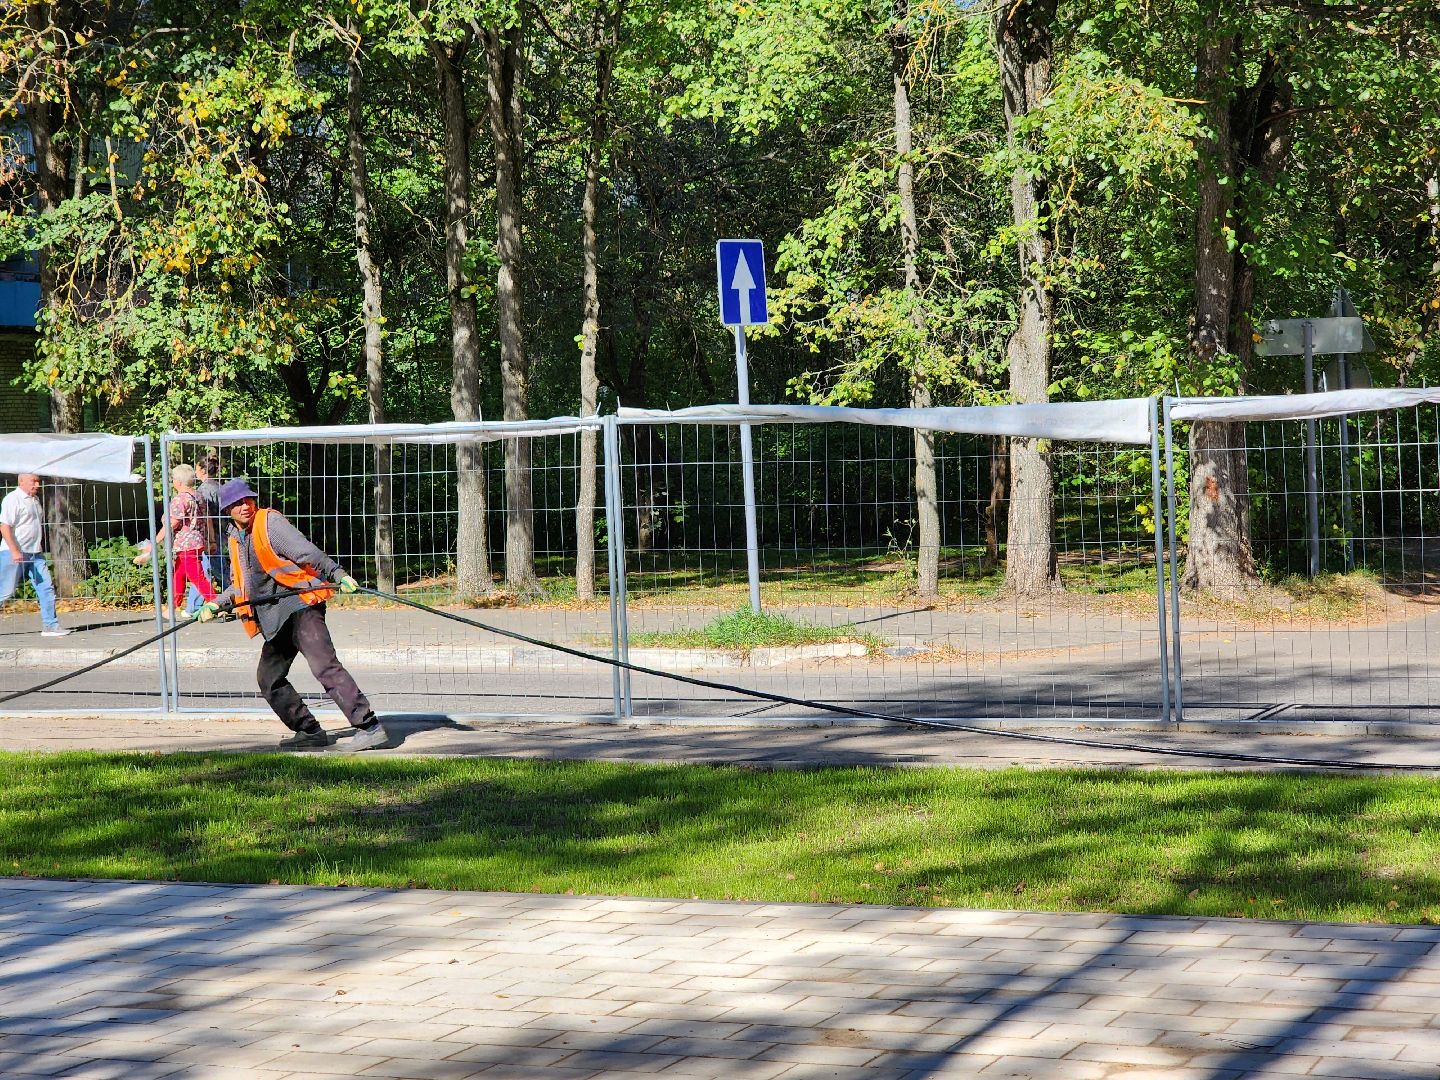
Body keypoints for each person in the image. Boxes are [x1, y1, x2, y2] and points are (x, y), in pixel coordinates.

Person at [198, 478, 392, 752]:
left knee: (324, 666)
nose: (244, 506)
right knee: (268, 679)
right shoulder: (234, 538)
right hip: (275, 617)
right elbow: (242, 584)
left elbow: (306, 552)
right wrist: (216, 604)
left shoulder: (269, 524)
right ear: (227, 509)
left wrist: (338, 574)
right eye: (236, 503)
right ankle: (310, 731)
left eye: (247, 500)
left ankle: (369, 727)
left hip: (300, 606)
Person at [136, 464, 217, 619]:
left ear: (178, 482)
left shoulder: (180, 499)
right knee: (179, 574)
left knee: (197, 577)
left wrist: (153, 544)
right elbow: (208, 520)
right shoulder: (198, 496)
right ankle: (172, 607)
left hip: (186, 545)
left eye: (173, 479)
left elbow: (170, 525)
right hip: (197, 542)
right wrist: (211, 540)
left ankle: (215, 603)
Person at [0, 473, 70, 637]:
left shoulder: (35, 500)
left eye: (38, 481)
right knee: (4, 591)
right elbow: (4, 527)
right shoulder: (13, 499)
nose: (37, 484)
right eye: (33, 481)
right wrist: (14, 550)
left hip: (35, 553)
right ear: (21, 481)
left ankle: (51, 626)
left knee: (46, 588)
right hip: (13, 553)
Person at [188, 455, 227, 614]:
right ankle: (194, 605)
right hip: (221, 532)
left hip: (212, 535)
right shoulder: (219, 486)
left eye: (196, 469)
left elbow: (206, 516)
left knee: (212, 569)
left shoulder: (203, 490)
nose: (195, 472)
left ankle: (236, 598)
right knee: (207, 568)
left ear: (203, 471)